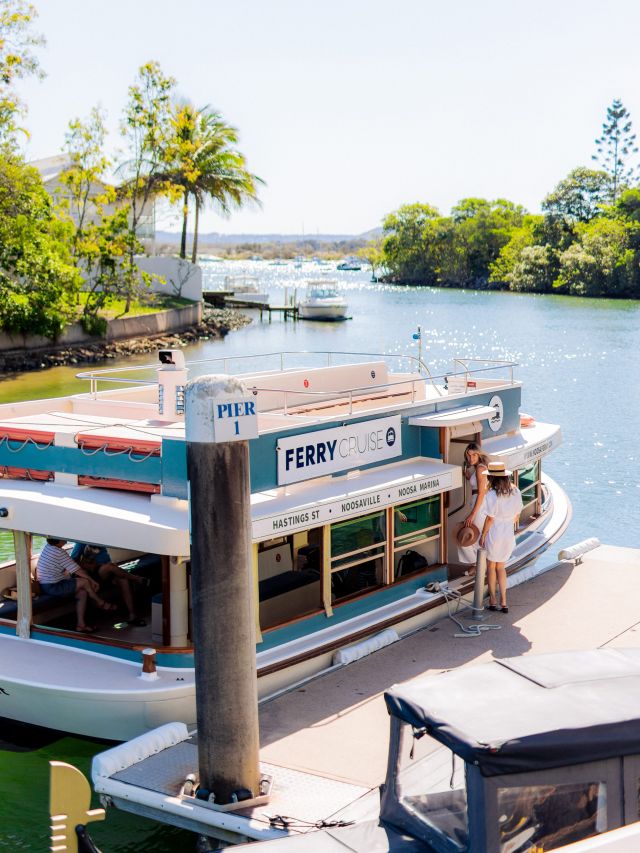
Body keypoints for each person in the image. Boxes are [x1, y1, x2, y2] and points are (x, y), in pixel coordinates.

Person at [36, 537, 117, 633]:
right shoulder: (59, 552)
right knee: (85, 582)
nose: (65, 538)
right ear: (59, 540)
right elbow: (77, 570)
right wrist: (92, 581)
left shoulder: (48, 547)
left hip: (47, 585)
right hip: (54, 586)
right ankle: (100, 602)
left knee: (82, 593)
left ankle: (81, 625)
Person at [479, 462, 523, 613]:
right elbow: (517, 515)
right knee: (501, 567)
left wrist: (483, 534)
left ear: (491, 477)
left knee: (491, 567)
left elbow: (490, 518)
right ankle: (504, 601)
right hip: (508, 533)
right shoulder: (515, 491)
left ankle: (492, 600)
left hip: (495, 533)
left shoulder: (492, 494)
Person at [70, 542, 148, 626]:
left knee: (123, 580)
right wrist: (88, 564)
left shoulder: (100, 540)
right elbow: (72, 561)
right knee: (109, 567)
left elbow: (106, 559)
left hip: (106, 572)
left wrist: (108, 564)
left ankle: (132, 615)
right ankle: (137, 579)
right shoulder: (81, 542)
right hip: (93, 574)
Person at [458, 442, 490, 571]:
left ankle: (476, 565)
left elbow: (481, 493)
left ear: (479, 455)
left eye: (474, 455)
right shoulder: (479, 468)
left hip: (480, 505)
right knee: (476, 535)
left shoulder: (480, 469)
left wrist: (472, 514)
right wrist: (468, 476)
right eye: (469, 455)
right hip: (479, 503)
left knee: (471, 534)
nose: (471, 458)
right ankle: (478, 565)